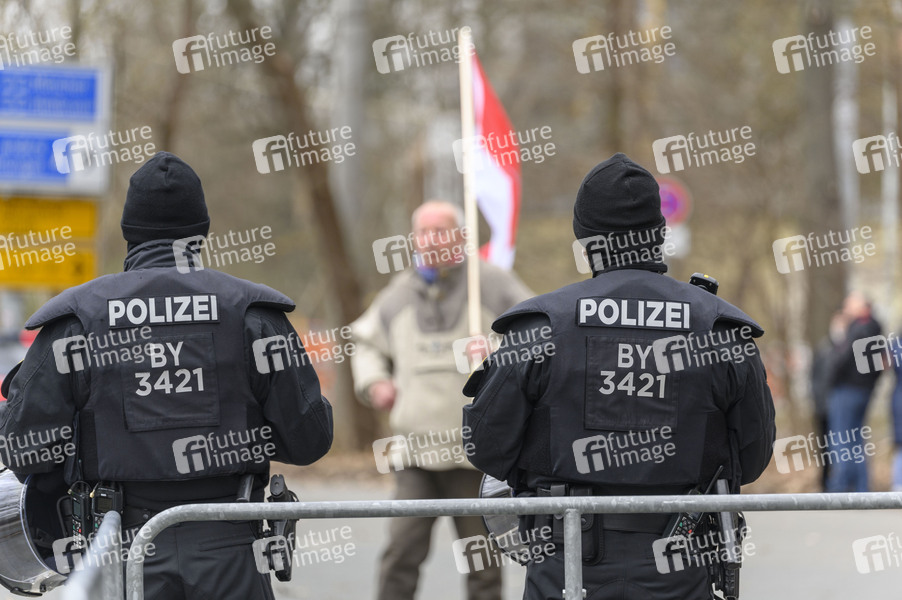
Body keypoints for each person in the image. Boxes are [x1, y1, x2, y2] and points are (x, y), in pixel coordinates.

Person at [0, 152, 333, 600]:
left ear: (129, 232)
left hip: (120, 549)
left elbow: (23, 451)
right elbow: (309, 441)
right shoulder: (253, 315)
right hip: (232, 548)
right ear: (202, 230)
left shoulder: (78, 319)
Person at [462, 154, 775, 600]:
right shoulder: (719, 329)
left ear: (587, 241)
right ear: (659, 235)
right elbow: (754, 456)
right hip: (681, 564)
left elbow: (485, 447)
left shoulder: (540, 326)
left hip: (565, 564)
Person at [351, 199, 532, 600]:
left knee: (483, 562)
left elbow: (538, 332)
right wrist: (375, 382)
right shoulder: (398, 292)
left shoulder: (491, 282)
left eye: (440, 230)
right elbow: (365, 344)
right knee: (401, 554)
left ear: (460, 236)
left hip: (475, 456)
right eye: (423, 231)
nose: (430, 240)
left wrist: (496, 353)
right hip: (416, 454)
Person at [826, 291, 883, 493]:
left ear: (861, 306)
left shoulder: (858, 328)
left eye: (849, 303)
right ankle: (860, 488)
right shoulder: (876, 328)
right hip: (863, 391)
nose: (846, 307)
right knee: (856, 440)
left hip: (847, 390)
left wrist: (838, 335)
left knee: (841, 439)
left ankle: (840, 488)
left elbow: (842, 358)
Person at [809, 311, 844, 490]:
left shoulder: (847, 350)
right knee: (824, 448)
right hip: (823, 407)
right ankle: (824, 483)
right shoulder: (823, 349)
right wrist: (818, 400)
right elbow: (814, 377)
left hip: (840, 408)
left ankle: (840, 483)